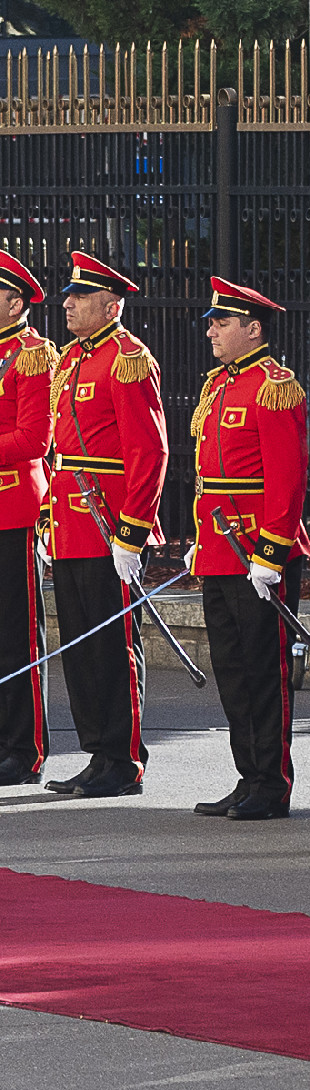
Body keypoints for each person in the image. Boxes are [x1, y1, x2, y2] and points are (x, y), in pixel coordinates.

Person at [45, 252, 168, 799]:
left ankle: (123, 759)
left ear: (111, 304)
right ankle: (96, 751)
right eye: (69, 295)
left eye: (80, 296)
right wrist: (50, 516)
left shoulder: (127, 358)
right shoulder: (71, 359)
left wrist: (133, 532)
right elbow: (60, 450)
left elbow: (150, 450)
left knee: (113, 642)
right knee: (78, 642)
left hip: (108, 520)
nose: (67, 303)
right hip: (71, 521)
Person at [186, 278, 309, 821]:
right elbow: (206, 478)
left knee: (265, 670)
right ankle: (248, 775)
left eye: (222, 321)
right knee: (232, 669)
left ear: (252, 328)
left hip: (257, 549)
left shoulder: (274, 386)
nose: (211, 329)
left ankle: (272, 782)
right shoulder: (219, 385)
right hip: (219, 548)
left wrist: (273, 549)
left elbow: (288, 478)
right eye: (213, 322)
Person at [0, 250, 53, 788]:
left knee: (17, 634)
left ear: (16, 301)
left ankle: (24, 747)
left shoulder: (31, 354)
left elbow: (33, 439)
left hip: (13, 505)